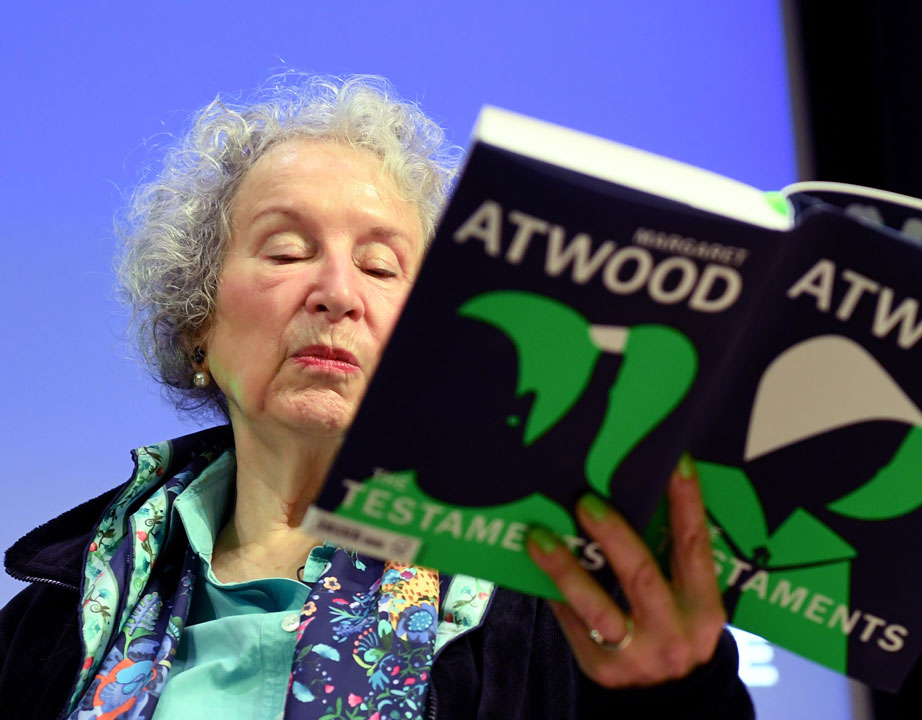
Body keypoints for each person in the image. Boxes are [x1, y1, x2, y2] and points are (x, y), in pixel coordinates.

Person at [0, 74, 754, 719]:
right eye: (287, 252)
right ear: (199, 322)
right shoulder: (55, 615)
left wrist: (679, 691)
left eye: (381, 267)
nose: (337, 292)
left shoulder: (550, 596)